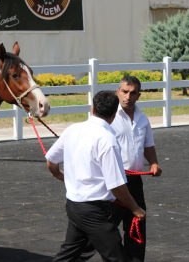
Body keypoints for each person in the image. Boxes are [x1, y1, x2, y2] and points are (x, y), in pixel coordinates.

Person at [46, 90, 146, 262]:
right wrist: (135, 208)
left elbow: (51, 160)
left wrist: (58, 175)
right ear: (115, 114)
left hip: (74, 206)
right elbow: (116, 186)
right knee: (117, 258)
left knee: (68, 255)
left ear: (92, 108)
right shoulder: (107, 139)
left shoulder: (73, 129)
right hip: (95, 211)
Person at [80, 76, 163, 262]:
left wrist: (154, 163)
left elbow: (148, 144)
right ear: (117, 92)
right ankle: (78, 256)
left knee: (137, 225)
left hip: (135, 182)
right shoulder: (108, 118)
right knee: (105, 229)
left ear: (138, 95)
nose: (128, 96)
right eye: (124, 92)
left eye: (133, 93)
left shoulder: (143, 118)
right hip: (113, 181)